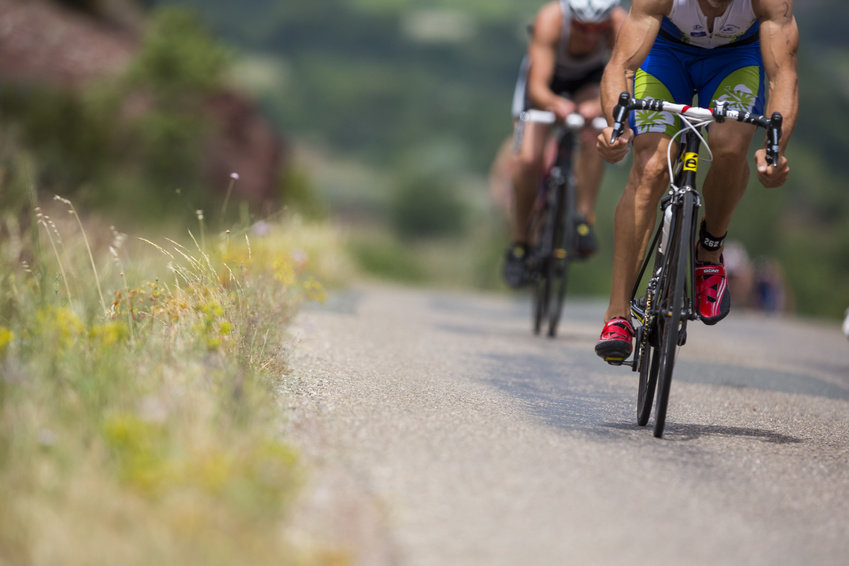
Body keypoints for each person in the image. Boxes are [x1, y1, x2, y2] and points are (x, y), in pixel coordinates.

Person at [593, 0, 798, 360]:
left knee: (731, 149)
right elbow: (621, 66)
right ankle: (617, 313)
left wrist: (774, 149)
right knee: (652, 165)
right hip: (665, 55)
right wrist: (616, 127)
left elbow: (783, 76)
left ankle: (710, 249)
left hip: (736, 60)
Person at [502, 0, 627, 288]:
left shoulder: (619, 23)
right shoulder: (551, 19)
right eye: (583, 28)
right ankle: (520, 243)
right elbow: (537, 88)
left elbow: (625, 77)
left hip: (590, 82)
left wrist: (598, 107)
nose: (590, 36)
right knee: (528, 160)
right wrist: (555, 104)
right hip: (547, 83)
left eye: (599, 29)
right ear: (572, 19)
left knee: (597, 132)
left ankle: (582, 216)